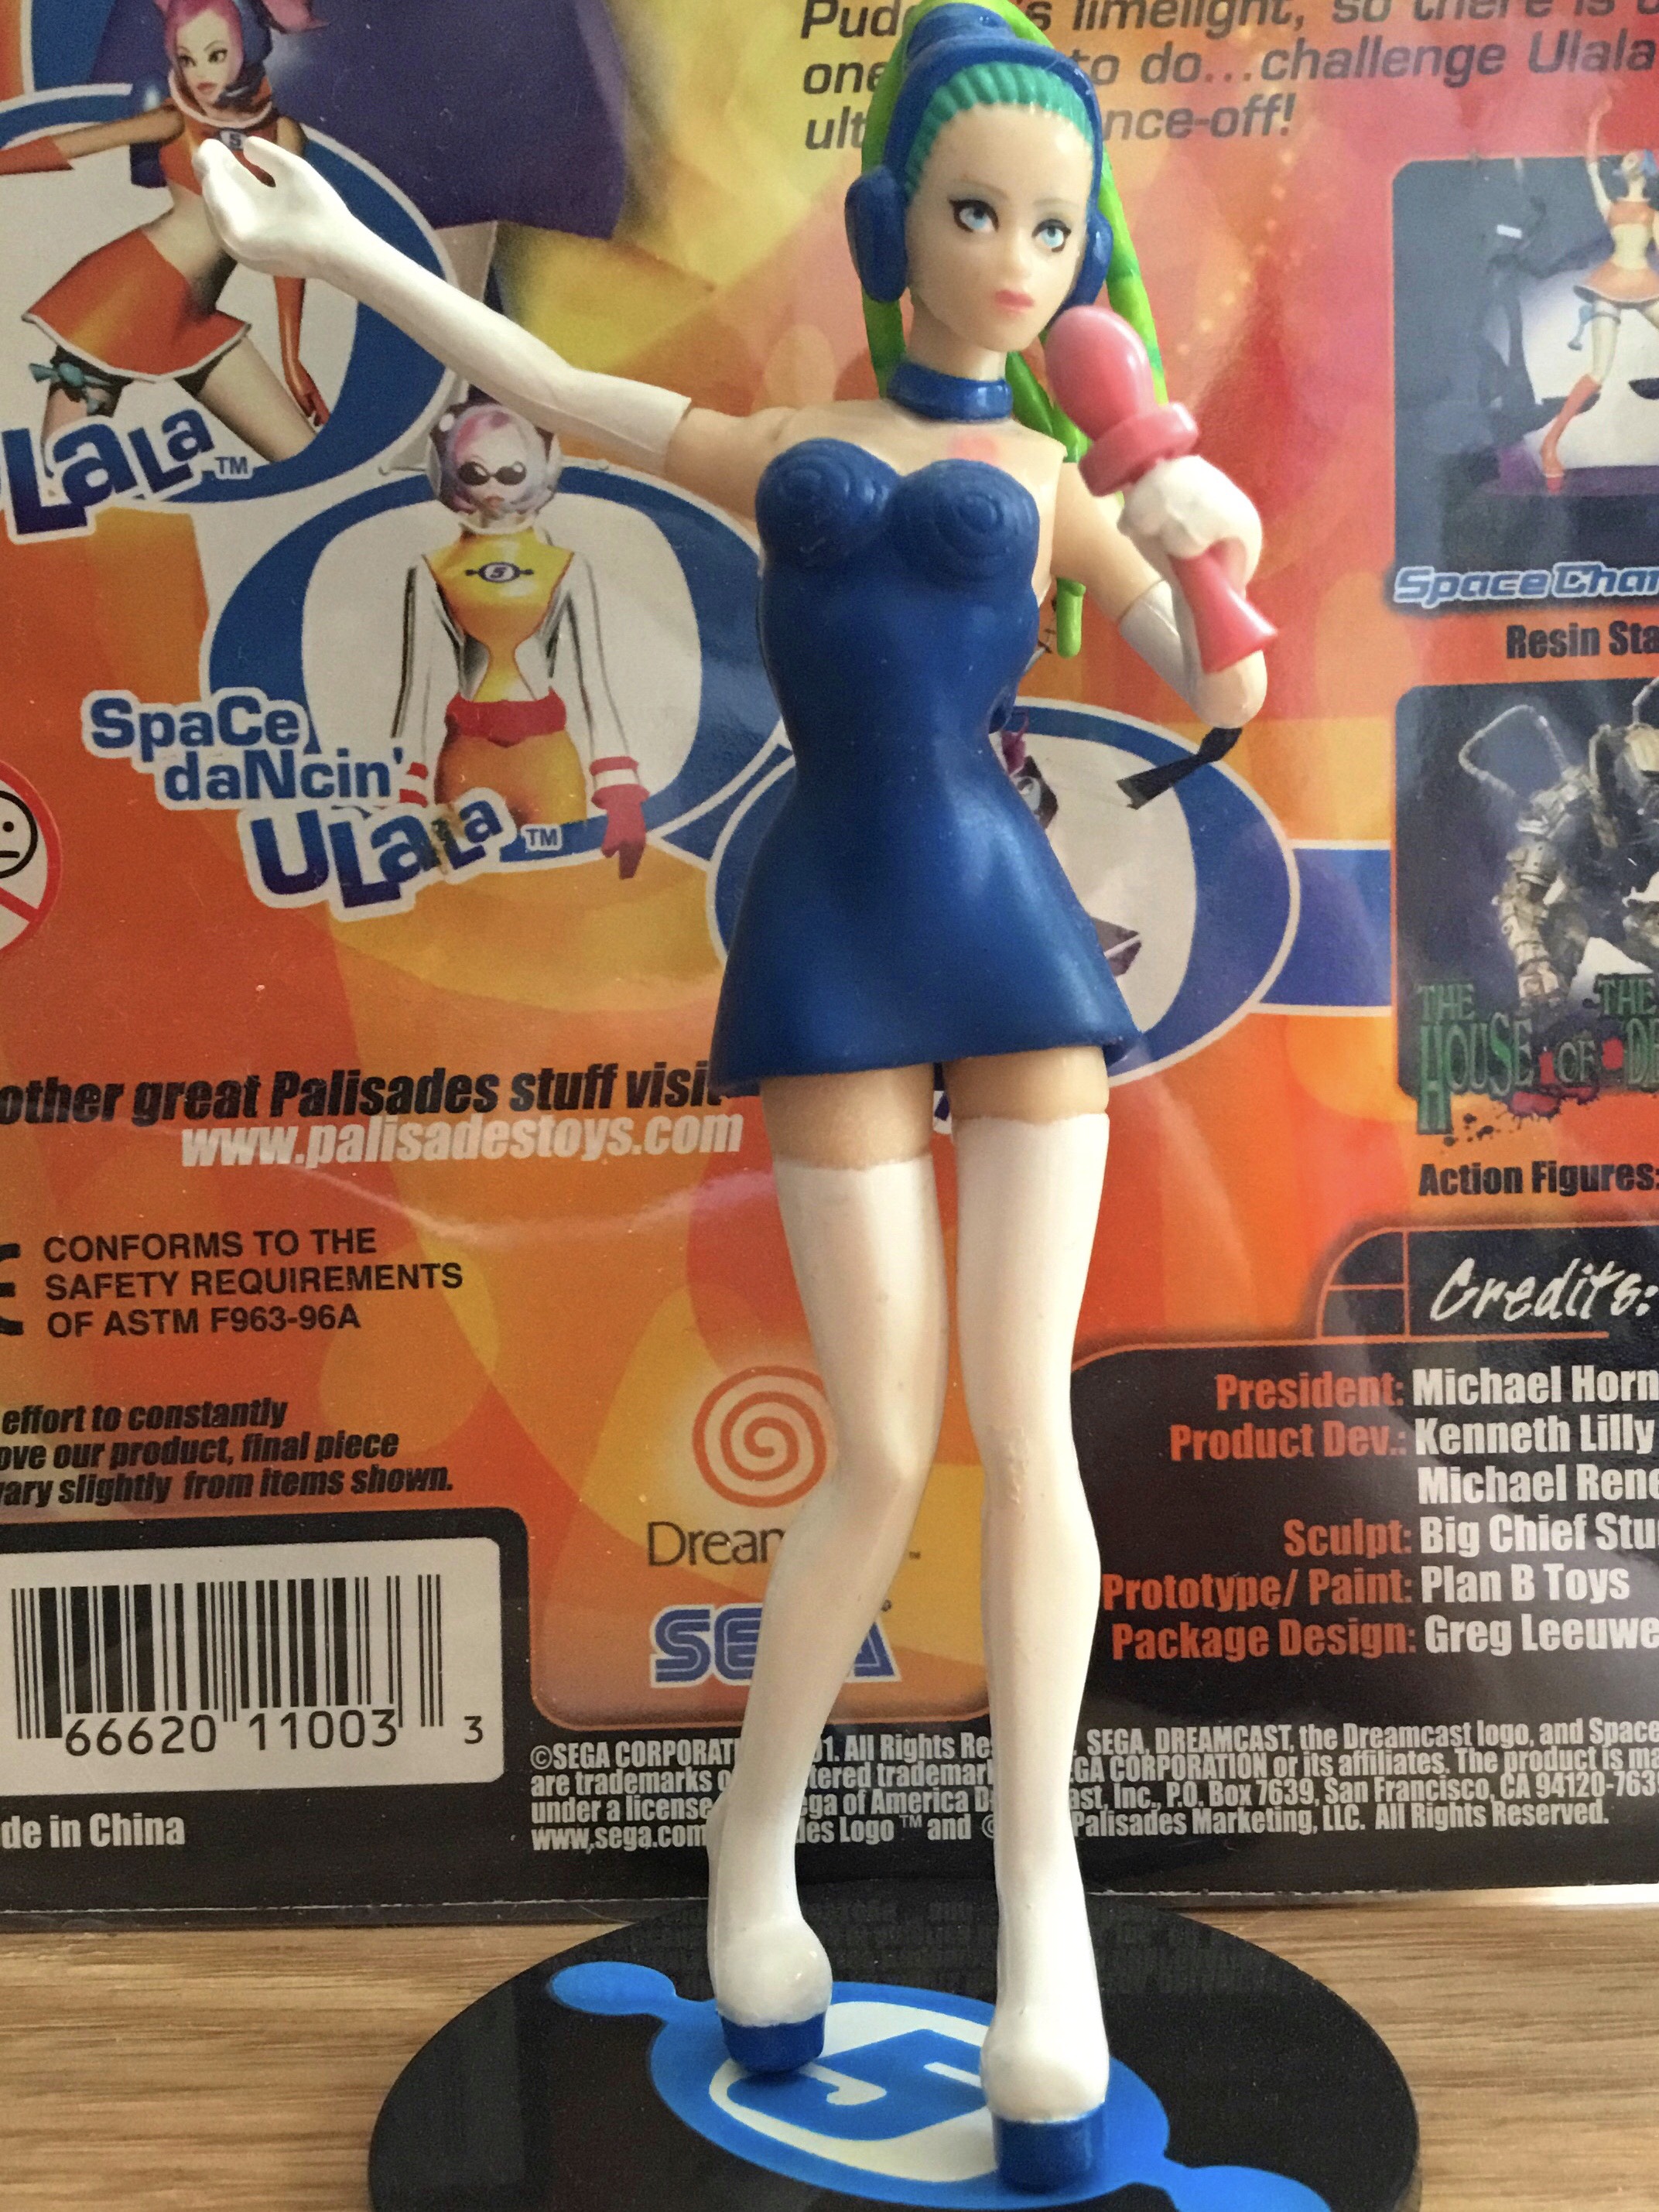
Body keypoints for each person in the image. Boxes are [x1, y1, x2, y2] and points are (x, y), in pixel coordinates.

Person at [195, 0, 1265, 2189]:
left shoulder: (1053, 485)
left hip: (1013, 942)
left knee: (1027, 1427)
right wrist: (347, 254)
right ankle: (750, 1854)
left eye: (1054, 228)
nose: (1019, 261)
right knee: (874, 1442)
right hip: (837, 936)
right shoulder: (789, 445)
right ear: (894, 224)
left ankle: (1044, 1922)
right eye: (978, 213)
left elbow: (1219, 683)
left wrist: (1193, 528)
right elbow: (543, 381)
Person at [0, 0, 327, 459]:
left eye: (216, 54)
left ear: (249, 47)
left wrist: (292, 358)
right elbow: (67, 146)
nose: (202, 74)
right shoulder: (174, 120)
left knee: (303, 455)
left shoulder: (284, 136)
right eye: (187, 59)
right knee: (63, 477)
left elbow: (285, 248)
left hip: (195, 318)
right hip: (121, 299)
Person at [392, 398, 648, 870]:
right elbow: (415, 695)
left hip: (548, 763)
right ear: (448, 471)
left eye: (511, 473)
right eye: (475, 472)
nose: (493, 488)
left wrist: (621, 792)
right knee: (465, 903)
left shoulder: (567, 566)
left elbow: (595, 682)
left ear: (539, 470)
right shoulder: (431, 568)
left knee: (555, 900)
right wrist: (403, 794)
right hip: (466, 759)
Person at [1538, 98, 1659, 490]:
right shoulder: (1611, 207)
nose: (1625, 160)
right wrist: (1595, 120)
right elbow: (1591, 167)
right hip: (1609, 284)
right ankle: (1551, 444)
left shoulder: (1652, 216)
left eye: (1632, 157)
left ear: (1644, 166)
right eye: (1625, 158)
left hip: (1644, 283)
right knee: (1598, 372)